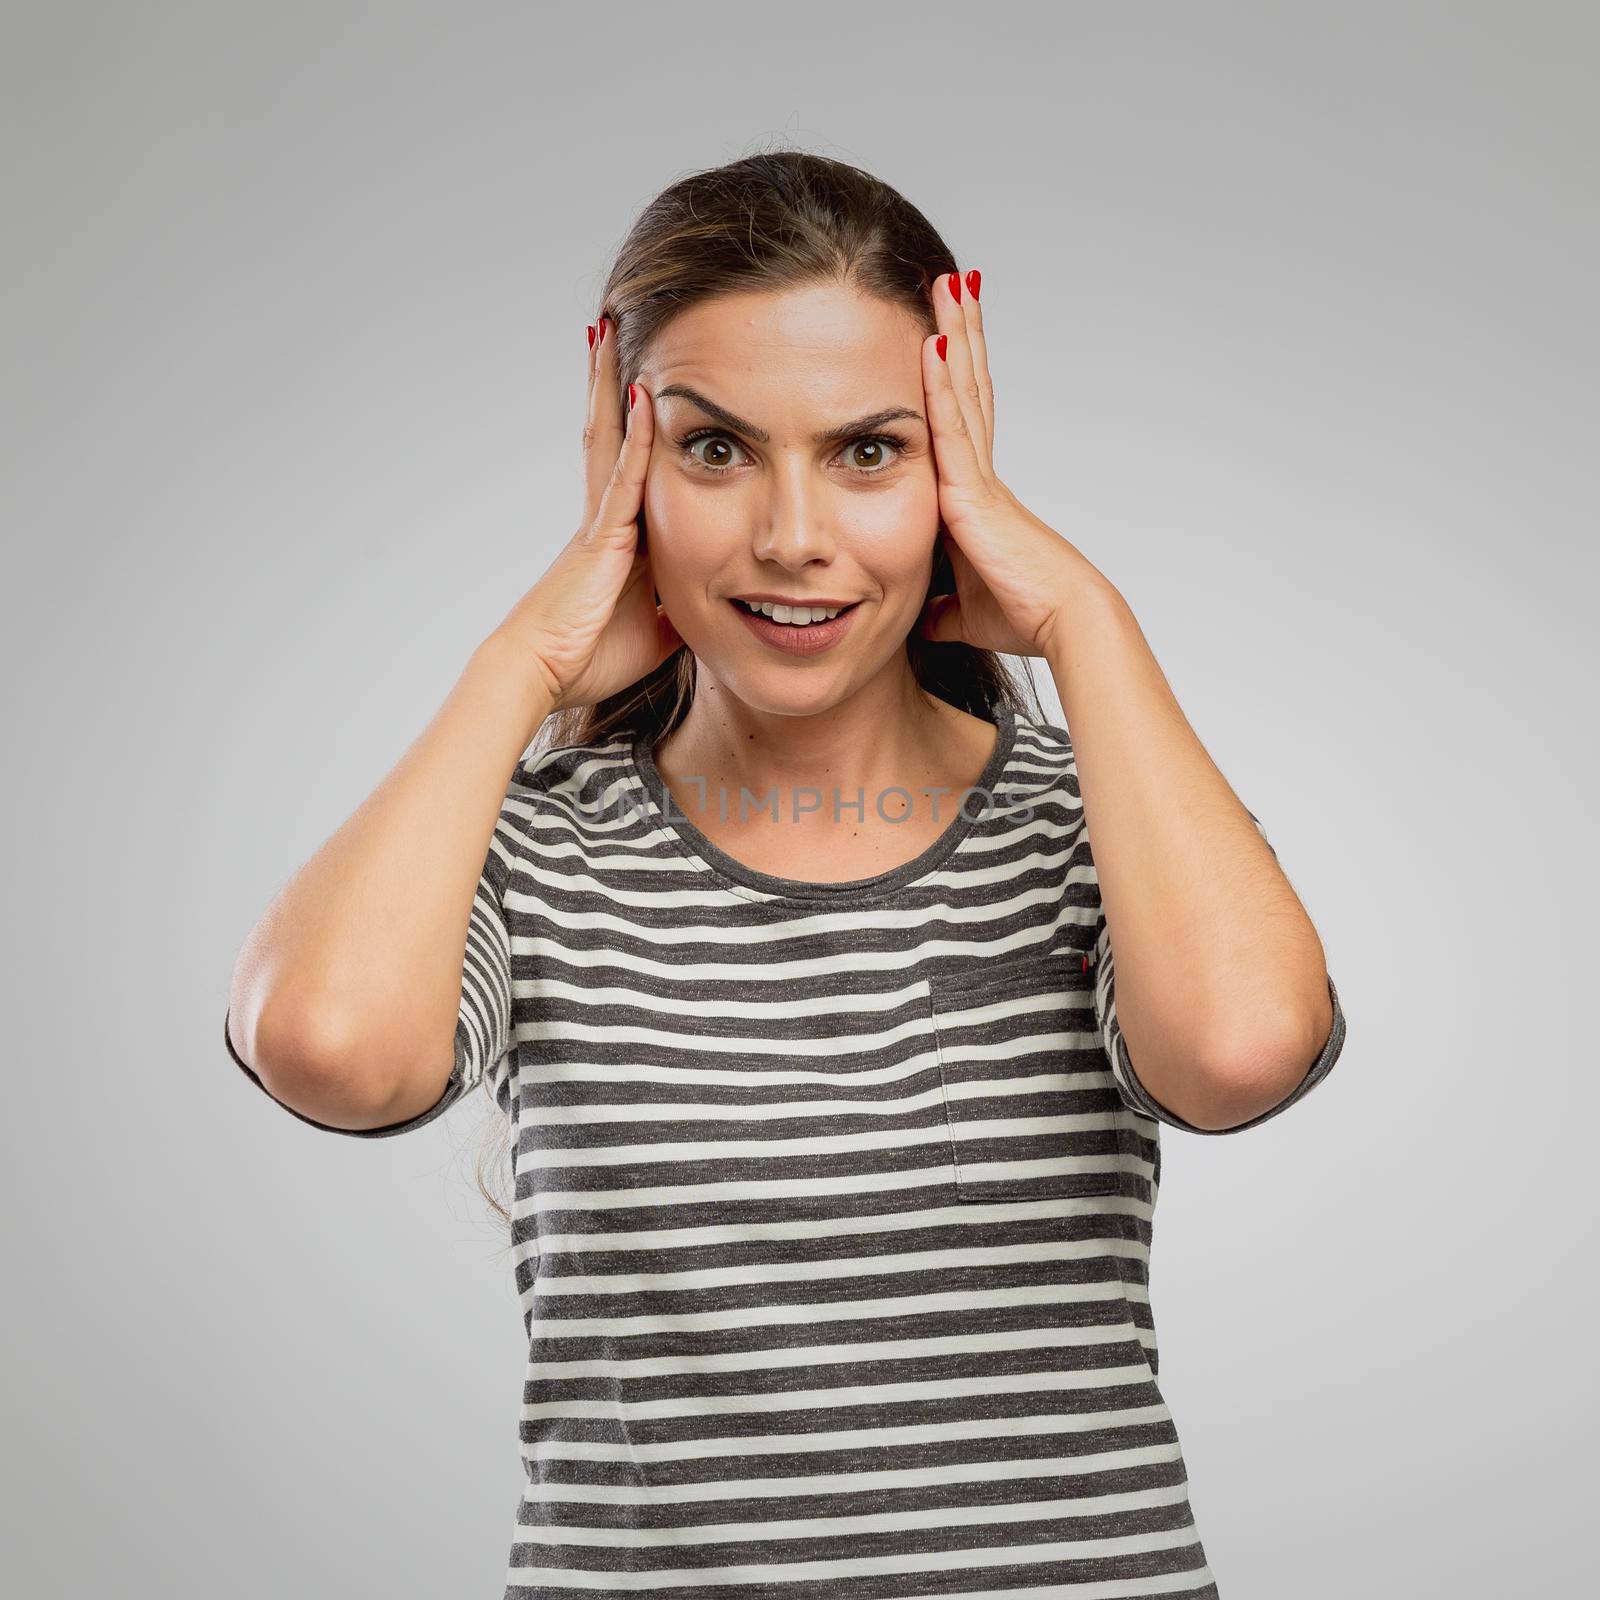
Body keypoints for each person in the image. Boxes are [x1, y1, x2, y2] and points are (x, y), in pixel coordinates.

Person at [224, 150, 1346, 1599]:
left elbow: (1242, 1054)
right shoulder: (530, 845)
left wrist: (1084, 616)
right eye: (714, 449)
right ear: (617, 443)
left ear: (958, 457)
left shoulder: (1107, 824)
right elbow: (323, 1047)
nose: (793, 537)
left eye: (870, 451)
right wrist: (519, 665)